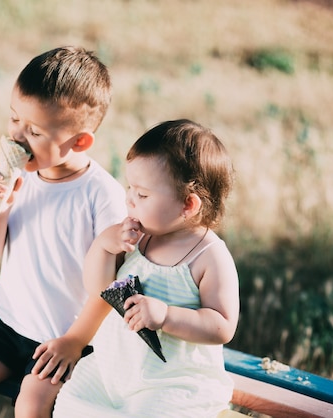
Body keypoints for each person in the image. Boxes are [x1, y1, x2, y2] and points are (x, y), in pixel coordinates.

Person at [0, 46, 127, 418]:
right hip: (12, 324)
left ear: (79, 141)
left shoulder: (102, 196)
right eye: (14, 119)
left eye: (34, 131)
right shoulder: (16, 177)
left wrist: (74, 342)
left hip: (68, 337)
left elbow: (112, 286)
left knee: (30, 407)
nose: (18, 136)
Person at [52, 119, 240, 417]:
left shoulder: (209, 256)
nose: (129, 199)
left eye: (142, 194)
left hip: (170, 383)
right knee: (71, 403)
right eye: (130, 187)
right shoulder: (138, 236)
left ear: (188, 205)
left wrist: (166, 315)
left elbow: (222, 326)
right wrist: (104, 245)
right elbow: (99, 289)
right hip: (113, 371)